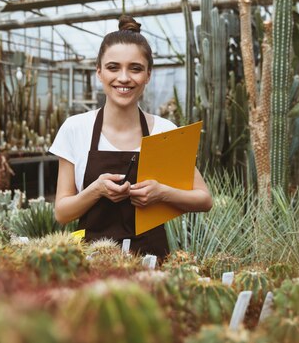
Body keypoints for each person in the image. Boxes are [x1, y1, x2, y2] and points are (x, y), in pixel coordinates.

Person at [49, 15, 212, 259]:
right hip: (90, 261)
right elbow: (62, 213)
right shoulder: (75, 128)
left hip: (151, 262)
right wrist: (96, 190)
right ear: (99, 72)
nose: (124, 78)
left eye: (135, 69)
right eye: (113, 67)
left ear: (148, 75)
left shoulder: (164, 131)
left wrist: (162, 193)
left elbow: (204, 199)